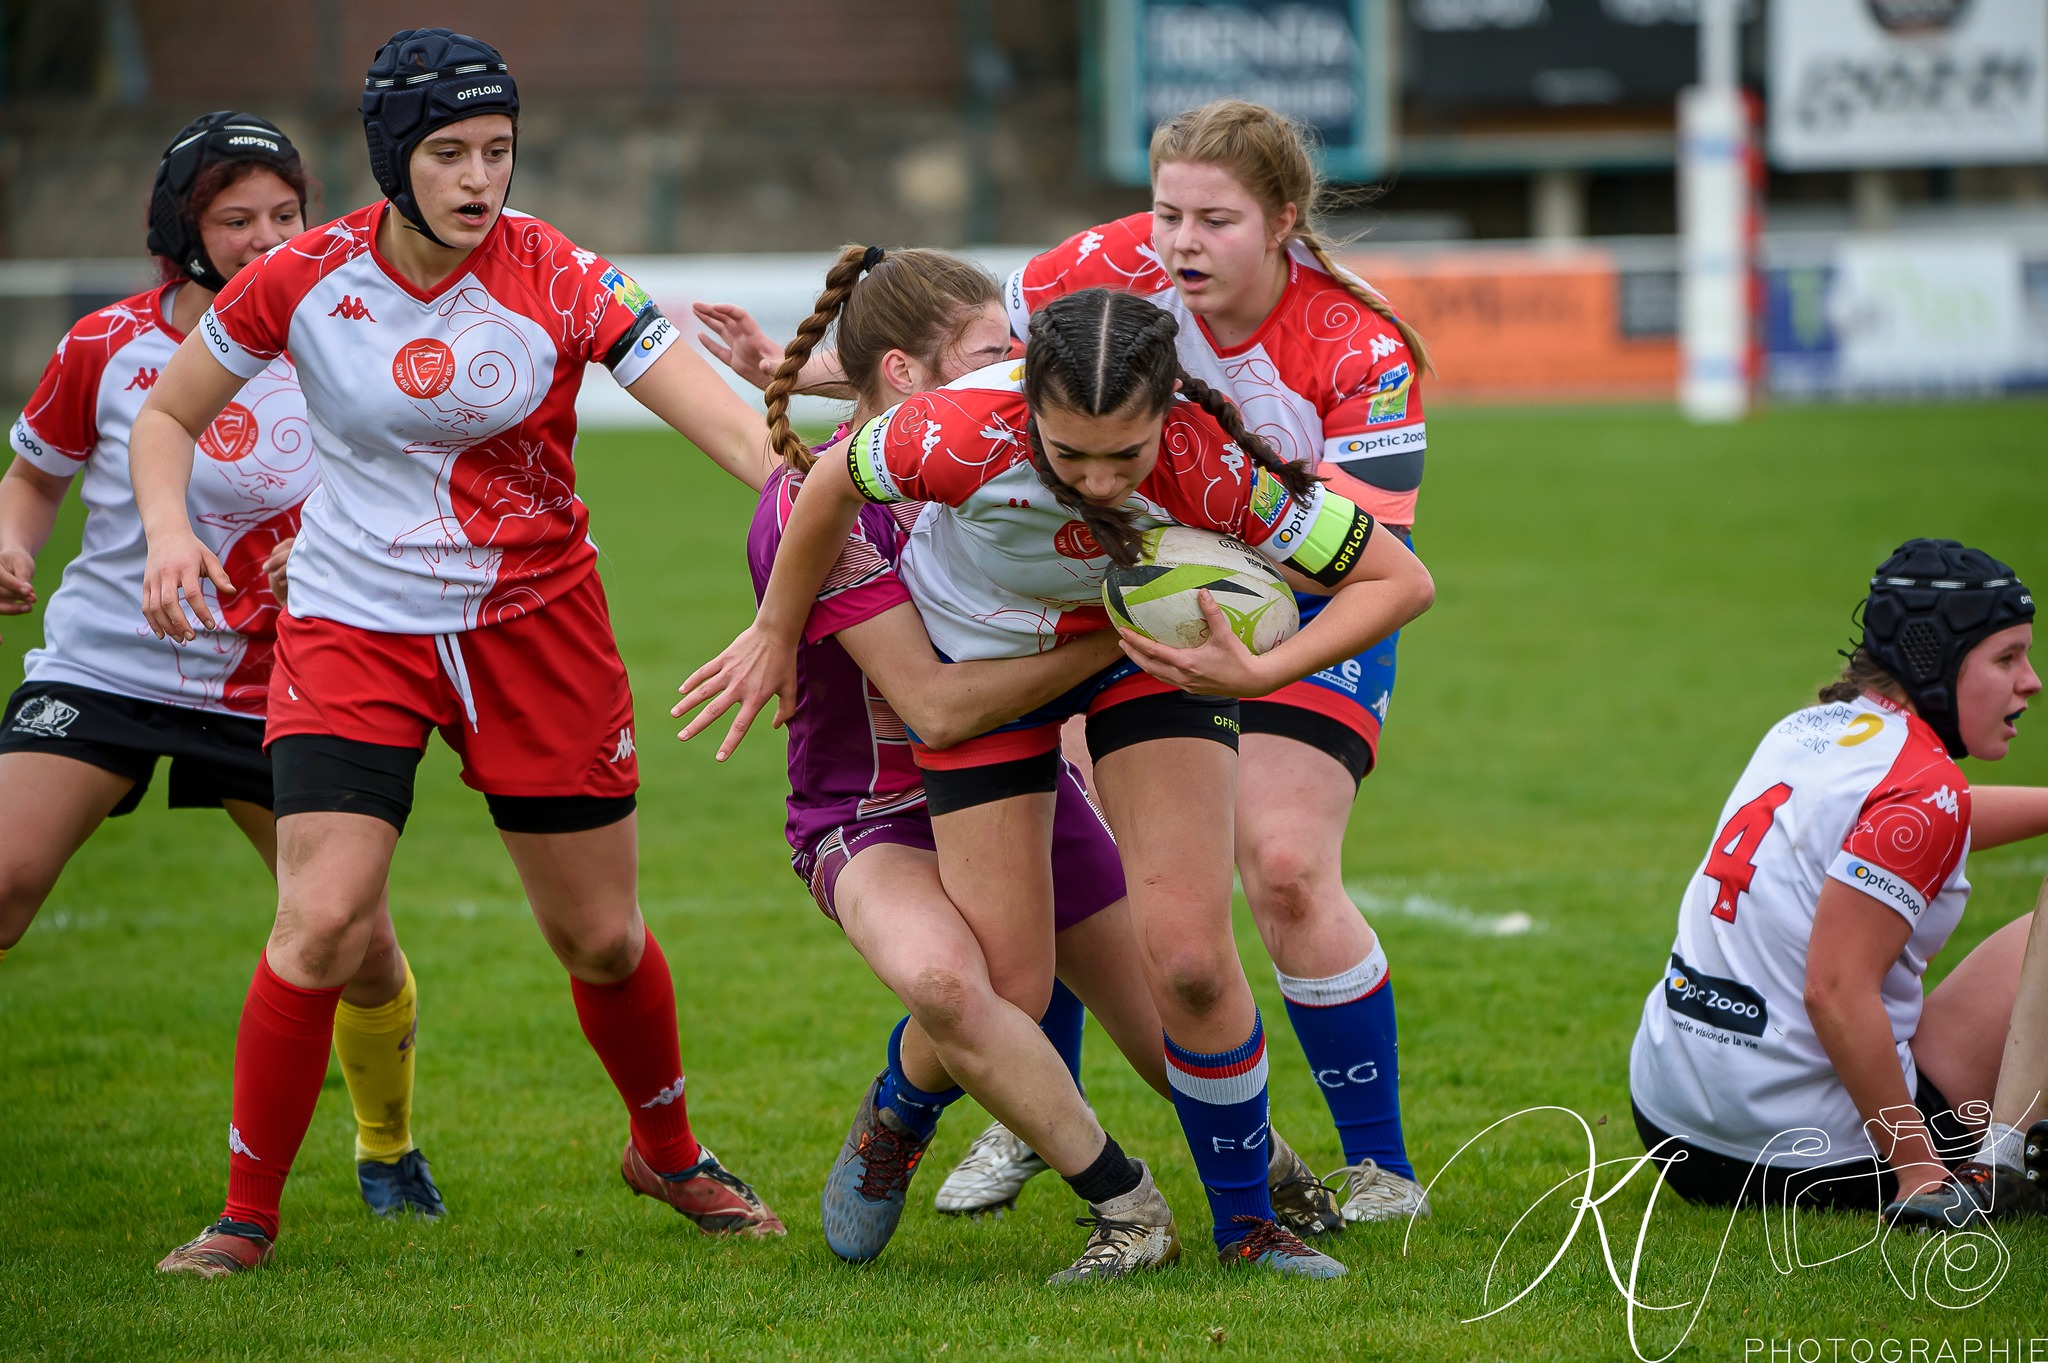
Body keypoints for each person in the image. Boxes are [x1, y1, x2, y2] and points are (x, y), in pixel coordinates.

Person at [698, 97, 1436, 1225]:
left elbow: (1381, 573)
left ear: (1282, 220)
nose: (1178, 242)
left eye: (1215, 218)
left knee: (1231, 911)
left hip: (1231, 611)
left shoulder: (1325, 375)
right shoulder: (1006, 372)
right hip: (1061, 631)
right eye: (1164, 213)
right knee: (1011, 976)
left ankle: (1293, 1200)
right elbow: (902, 420)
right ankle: (1010, 1105)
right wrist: (768, 618)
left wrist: (1237, 662)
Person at [129, 30, 783, 1277]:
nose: (480, 178)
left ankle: (669, 1150)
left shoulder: (567, 276)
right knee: (317, 922)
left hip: (538, 629)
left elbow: (736, 437)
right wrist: (169, 531)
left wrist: (810, 505)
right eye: (448, 154)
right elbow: (169, 413)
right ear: (393, 158)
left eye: (497, 150)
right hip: (350, 626)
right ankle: (243, 1215)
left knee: (601, 939)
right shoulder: (303, 276)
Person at [0, 111, 442, 1220]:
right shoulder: (106, 344)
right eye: (235, 220)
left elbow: (411, 495)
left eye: (285, 216)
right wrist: (11, 538)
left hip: (281, 684)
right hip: (107, 665)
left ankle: (386, 1147)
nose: (264, 238)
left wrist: (329, 551)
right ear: (181, 231)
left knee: (359, 946)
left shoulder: (346, 342)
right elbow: (34, 477)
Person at [1628, 539, 2046, 1212]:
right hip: (1812, 1155)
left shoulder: (1809, 728)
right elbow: (1833, 988)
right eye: (2006, 657)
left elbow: (1932, 817)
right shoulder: (1923, 786)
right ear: (1935, 661)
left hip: (1674, 1125)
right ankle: (2004, 1166)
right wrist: (1919, 1175)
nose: (2031, 680)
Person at [1887, 869, 2048, 1225]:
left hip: (1755, 1138)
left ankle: (2002, 1159)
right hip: (1870, 1131)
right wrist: (1916, 1166)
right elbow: (1831, 991)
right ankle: (2003, 1160)